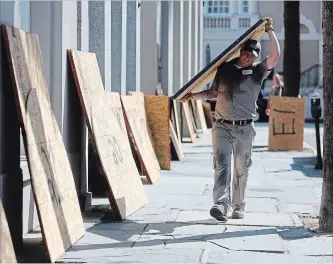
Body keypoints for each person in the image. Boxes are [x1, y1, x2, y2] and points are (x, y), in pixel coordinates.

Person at [181, 17, 280, 222]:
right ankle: (221, 204)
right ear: (240, 52)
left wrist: (270, 31)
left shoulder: (258, 71)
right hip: (222, 126)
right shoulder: (224, 69)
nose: (248, 58)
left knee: (242, 167)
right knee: (222, 165)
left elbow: (276, 55)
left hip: (245, 128)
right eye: (246, 53)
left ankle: (238, 206)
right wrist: (193, 96)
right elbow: (213, 93)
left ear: (256, 57)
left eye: (253, 55)